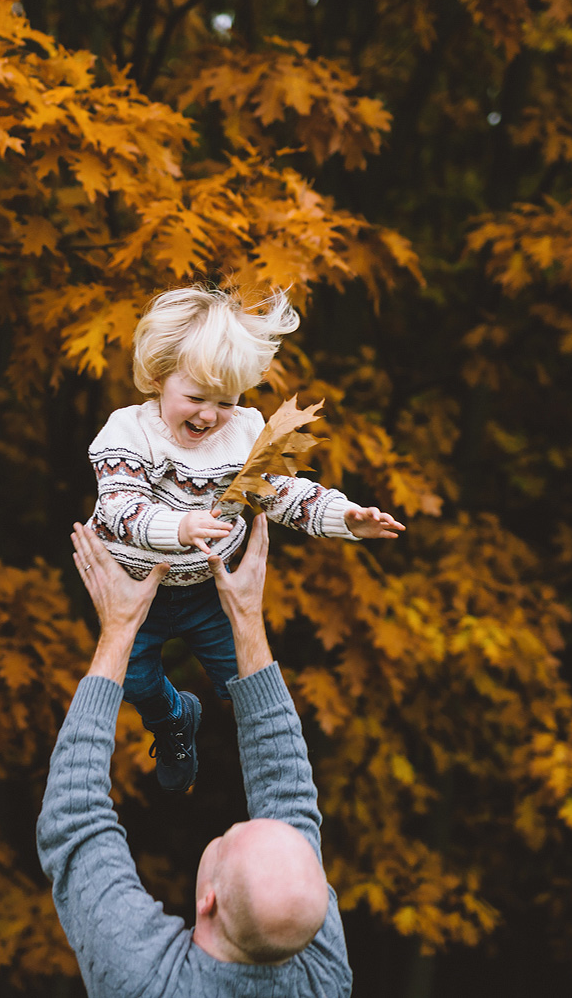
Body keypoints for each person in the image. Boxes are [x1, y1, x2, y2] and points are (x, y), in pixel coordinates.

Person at [88, 284, 403, 790]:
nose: (209, 415)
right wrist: (181, 526)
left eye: (225, 401)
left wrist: (346, 517)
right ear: (158, 378)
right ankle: (173, 721)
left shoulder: (243, 433)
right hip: (137, 589)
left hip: (208, 590)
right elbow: (118, 509)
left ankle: (271, 770)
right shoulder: (128, 433)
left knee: (245, 682)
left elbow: (280, 493)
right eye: (194, 398)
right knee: (135, 680)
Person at [38, 515, 353, 997]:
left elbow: (74, 821)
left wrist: (119, 630)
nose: (246, 822)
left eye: (230, 838)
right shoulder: (323, 981)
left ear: (209, 900)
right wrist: (245, 615)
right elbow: (287, 797)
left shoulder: (147, 982)